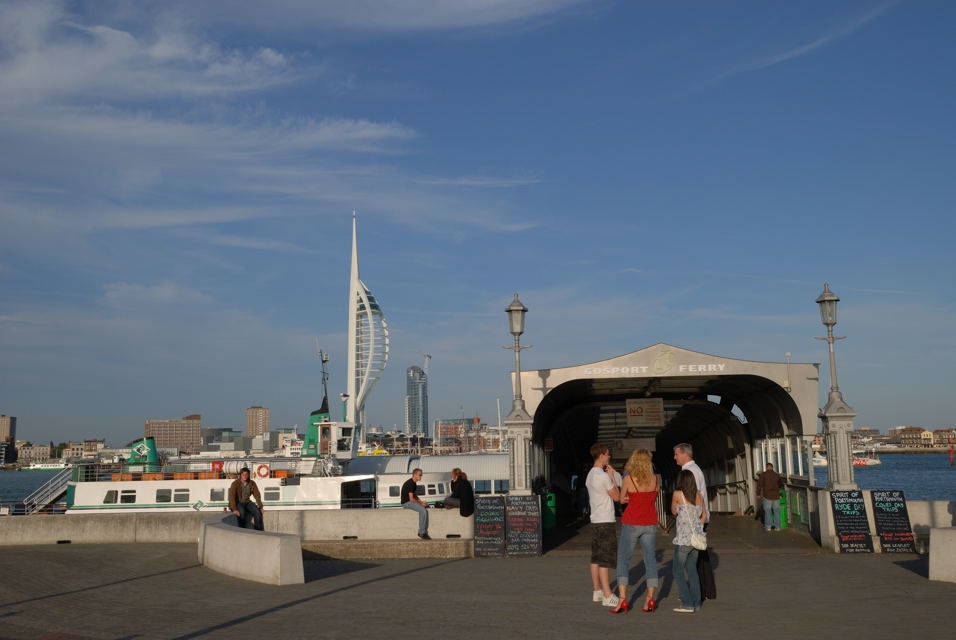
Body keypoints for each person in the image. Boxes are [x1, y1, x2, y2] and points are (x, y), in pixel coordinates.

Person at [610, 449, 660, 614]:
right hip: (650, 523)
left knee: (623, 559)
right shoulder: (655, 479)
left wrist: (629, 498)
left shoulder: (628, 479)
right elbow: (654, 496)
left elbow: (622, 499)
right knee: (650, 560)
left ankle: (623, 600)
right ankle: (649, 599)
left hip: (631, 522)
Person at [586, 443, 620, 608]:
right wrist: (613, 475)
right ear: (601, 456)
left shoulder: (590, 475)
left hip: (595, 519)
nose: (609, 457)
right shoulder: (603, 476)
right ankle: (608, 595)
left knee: (596, 557)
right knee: (606, 558)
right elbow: (617, 497)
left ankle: (597, 591)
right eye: (607, 454)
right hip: (606, 519)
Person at [671, 469, 705, 613]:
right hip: (695, 540)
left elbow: (673, 511)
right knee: (692, 571)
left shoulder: (677, 494)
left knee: (678, 571)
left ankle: (687, 603)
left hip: (683, 540)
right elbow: (703, 516)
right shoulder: (698, 495)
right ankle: (697, 603)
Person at [673, 443, 709, 525]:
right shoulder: (691, 469)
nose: (674, 457)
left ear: (685, 454)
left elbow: (694, 495)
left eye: (676, 454)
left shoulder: (691, 471)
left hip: (695, 521)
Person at [401, 468, 430, 539]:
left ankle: (422, 532)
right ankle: (422, 533)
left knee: (424, 508)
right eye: (420, 475)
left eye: (421, 475)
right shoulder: (411, 483)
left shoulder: (413, 483)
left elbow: (415, 496)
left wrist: (421, 502)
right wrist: (421, 504)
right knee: (423, 511)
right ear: (414, 475)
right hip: (406, 503)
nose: (421, 476)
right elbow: (411, 499)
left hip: (409, 501)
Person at [756, 462, 783, 531]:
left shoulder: (763, 475)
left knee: (768, 512)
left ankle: (768, 527)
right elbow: (780, 484)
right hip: (776, 496)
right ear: (772, 467)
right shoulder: (776, 475)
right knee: (776, 511)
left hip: (767, 496)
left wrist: (758, 494)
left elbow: (759, 485)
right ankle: (777, 527)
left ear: (766, 467)